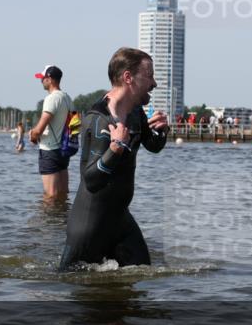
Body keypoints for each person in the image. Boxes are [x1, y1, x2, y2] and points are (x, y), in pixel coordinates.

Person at [59, 47, 169, 270]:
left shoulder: (136, 113)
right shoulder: (98, 120)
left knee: (144, 274)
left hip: (120, 219)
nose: (154, 83)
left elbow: (153, 146)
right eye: (149, 76)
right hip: (90, 225)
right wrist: (116, 148)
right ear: (128, 77)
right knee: (73, 285)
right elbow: (91, 180)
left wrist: (163, 130)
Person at [29, 65, 73, 200]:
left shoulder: (51, 98)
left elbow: (40, 128)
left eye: (42, 78)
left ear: (50, 79)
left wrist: (33, 134)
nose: (41, 81)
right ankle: (62, 219)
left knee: (50, 196)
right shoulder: (67, 98)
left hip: (50, 150)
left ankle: (49, 221)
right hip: (64, 150)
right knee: (63, 194)